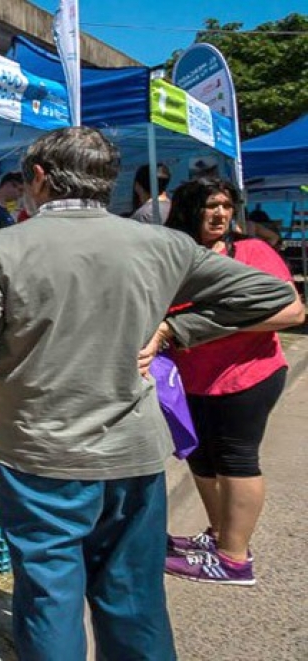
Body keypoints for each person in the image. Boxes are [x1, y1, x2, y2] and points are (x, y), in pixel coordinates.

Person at [0, 127, 301, 660]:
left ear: (39, 178)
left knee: (49, 597)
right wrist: (176, 330)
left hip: (37, 452)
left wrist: (172, 330)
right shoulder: (163, 246)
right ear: (107, 182)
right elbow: (272, 293)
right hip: (132, 452)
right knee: (133, 597)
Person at [163, 179, 302, 585]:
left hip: (248, 375)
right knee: (201, 459)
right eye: (210, 206)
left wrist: (207, 327)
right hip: (193, 379)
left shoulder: (251, 251)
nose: (220, 214)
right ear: (189, 210)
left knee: (236, 459)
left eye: (225, 205)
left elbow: (293, 313)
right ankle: (220, 535)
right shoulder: (177, 254)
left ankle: (234, 558)